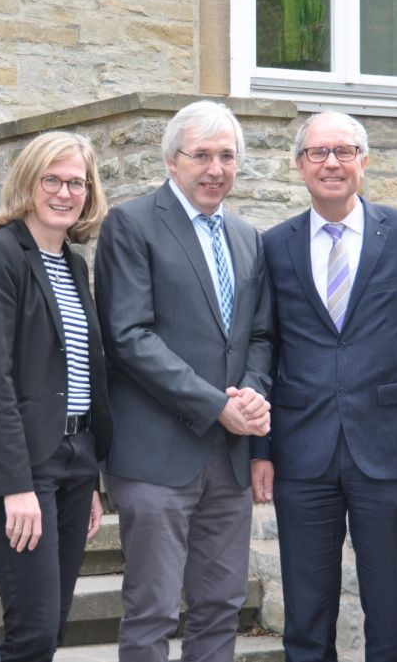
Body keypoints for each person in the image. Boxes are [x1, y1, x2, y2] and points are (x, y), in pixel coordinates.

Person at [252, 111, 397, 662]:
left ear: (363, 162)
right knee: (306, 618)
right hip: (301, 454)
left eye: (344, 151)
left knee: (390, 613)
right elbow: (263, 349)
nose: (332, 163)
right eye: (318, 153)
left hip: (389, 449)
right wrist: (260, 449)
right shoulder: (273, 246)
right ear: (300, 166)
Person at [94, 100, 274, 662]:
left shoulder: (247, 236)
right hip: (156, 455)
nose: (215, 169)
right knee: (153, 609)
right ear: (172, 160)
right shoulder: (132, 224)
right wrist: (214, 403)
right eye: (201, 155)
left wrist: (252, 393)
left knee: (220, 606)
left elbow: (260, 335)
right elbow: (128, 336)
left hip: (229, 459)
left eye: (227, 156)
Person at [0, 131, 114, 662]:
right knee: (33, 630)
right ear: (27, 183)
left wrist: (89, 476)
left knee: (52, 625)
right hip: (19, 461)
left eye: (77, 183)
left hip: (74, 457)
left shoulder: (73, 264)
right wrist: (14, 484)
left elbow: (78, 372)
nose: (65, 193)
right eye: (52, 180)